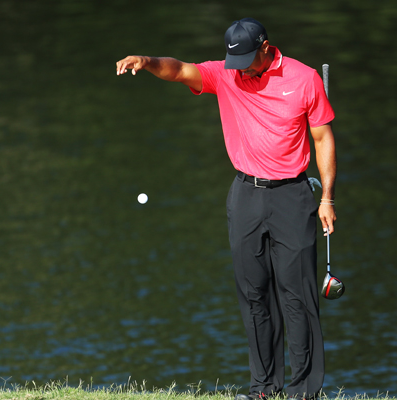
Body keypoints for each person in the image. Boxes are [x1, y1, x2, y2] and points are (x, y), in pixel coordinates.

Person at [116, 18, 336, 400]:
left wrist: (327, 197)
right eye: (237, 61)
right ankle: (263, 388)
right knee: (254, 294)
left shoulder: (303, 79)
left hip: (292, 195)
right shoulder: (228, 74)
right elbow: (181, 69)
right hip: (245, 195)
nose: (243, 69)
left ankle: (304, 391)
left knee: (297, 296)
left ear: (267, 47)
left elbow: (323, 138)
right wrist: (148, 61)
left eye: (249, 59)